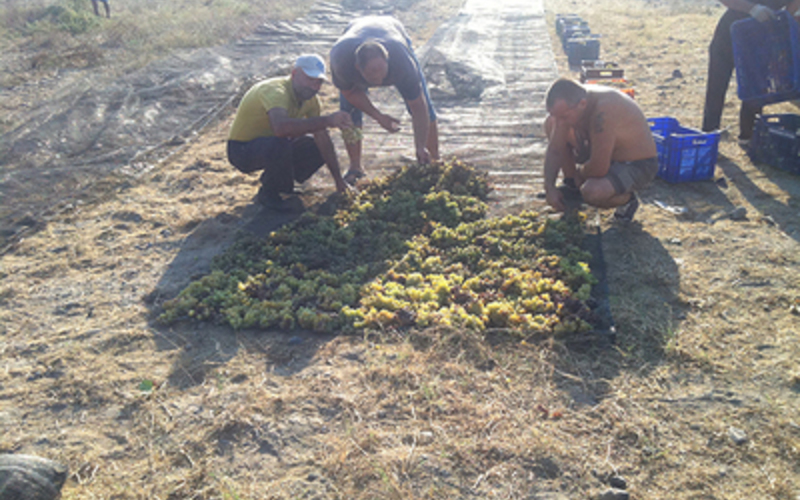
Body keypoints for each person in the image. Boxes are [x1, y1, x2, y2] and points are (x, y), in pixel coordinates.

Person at [227, 54, 354, 211]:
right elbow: (281, 128)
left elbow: (322, 137)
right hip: (242, 150)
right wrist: (328, 120)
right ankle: (271, 195)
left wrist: (338, 180)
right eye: (310, 79)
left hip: (272, 145)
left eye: (318, 82)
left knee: (316, 146)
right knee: (280, 143)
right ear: (294, 74)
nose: (314, 87)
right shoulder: (276, 91)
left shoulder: (312, 101)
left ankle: (275, 184)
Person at [329, 15, 439, 185]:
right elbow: (350, 94)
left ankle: (432, 159)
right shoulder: (342, 61)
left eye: (382, 70)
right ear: (358, 67)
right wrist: (378, 116)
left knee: (424, 104)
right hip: (354, 33)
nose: (379, 78)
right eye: (372, 72)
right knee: (348, 113)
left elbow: (418, 105)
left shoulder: (401, 62)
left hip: (393, 32)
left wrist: (419, 146)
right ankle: (355, 167)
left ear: (387, 61)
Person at [543, 78, 658, 222]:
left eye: (564, 117)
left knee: (592, 192)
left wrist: (579, 174)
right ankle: (571, 184)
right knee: (551, 123)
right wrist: (549, 187)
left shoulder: (604, 110)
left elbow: (599, 168)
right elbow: (555, 149)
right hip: (603, 151)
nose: (561, 122)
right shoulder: (575, 100)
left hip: (635, 163)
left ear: (582, 104)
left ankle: (627, 200)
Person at [701, 0, 800, 143]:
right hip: (731, 28)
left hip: (763, 31)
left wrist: (782, 18)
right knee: (717, 82)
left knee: (756, 85)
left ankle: (749, 136)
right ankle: (708, 134)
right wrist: (751, 9)